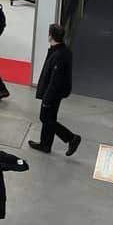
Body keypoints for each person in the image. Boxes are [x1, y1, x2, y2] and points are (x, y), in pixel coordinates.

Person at [29, 24, 81, 155]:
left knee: (46, 118)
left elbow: (55, 81)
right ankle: (45, 144)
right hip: (57, 92)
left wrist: (47, 98)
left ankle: (71, 138)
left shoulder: (58, 55)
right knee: (49, 117)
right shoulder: (62, 50)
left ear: (51, 36)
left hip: (53, 93)